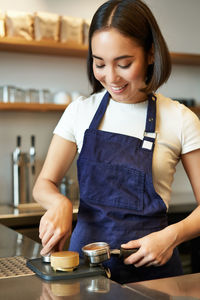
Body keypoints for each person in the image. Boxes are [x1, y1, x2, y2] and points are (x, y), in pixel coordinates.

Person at [33, 0, 200, 284]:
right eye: (99, 63)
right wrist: (58, 203)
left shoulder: (180, 119)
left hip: (154, 278)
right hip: (84, 273)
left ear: (150, 55)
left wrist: (172, 236)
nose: (111, 77)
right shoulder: (80, 111)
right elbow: (43, 184)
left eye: (124, 64)